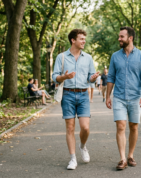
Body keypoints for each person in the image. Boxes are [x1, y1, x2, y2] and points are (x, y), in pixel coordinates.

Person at [52, 29, 99, 170]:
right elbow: (55, 77)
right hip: (68, 95)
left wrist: (93, 78)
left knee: (85, 127)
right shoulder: (61, 57)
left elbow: (90, 78)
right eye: (81, 39)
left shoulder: (88, 58)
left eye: (84, 39)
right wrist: (65, 77)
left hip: (83, 94)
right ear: (73, 40)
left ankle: (83, 146)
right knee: (70, 127)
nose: (84, 41)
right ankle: (73, 159)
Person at [106, 26, 141, 170]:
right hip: (119, 96)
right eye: (119, 36)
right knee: (120, 126)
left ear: (130, 38)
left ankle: (130, 155)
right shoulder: (115, 56)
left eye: (121, 36)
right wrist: (108, 96)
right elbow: (111, 77)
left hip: (135, 97)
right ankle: (122, 159)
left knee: (133, 126)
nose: (119, 39)